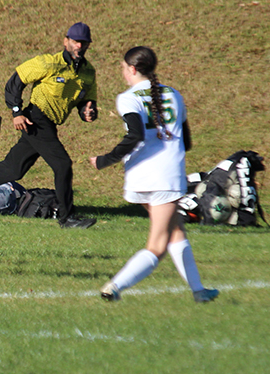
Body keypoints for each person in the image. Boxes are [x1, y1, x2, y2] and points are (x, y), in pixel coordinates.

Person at [89, 46, 219, 303]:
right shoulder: (175, 95)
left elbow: (136, 134)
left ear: (133, 69)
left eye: (123, 69)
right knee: (157, 247)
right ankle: (114, 287)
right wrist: (105, 160)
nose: (124, 73)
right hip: (165, 177)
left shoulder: (127, 97)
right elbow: (186, 141)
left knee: (175, 230)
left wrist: (105, 160)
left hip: (140, 174)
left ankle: (199, 292)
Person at [0, 22, 98, 229]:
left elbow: (86, 101)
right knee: (62, 164)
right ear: (66, 41)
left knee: (14, 168)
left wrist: (88, 111)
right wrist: (16, 112)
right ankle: (67, 218)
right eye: (75, 41)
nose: (79, 46)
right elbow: (15, 82)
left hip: (49, 123)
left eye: (83, 42)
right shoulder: (48, 63)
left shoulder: (88, 72)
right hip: (36, 118)